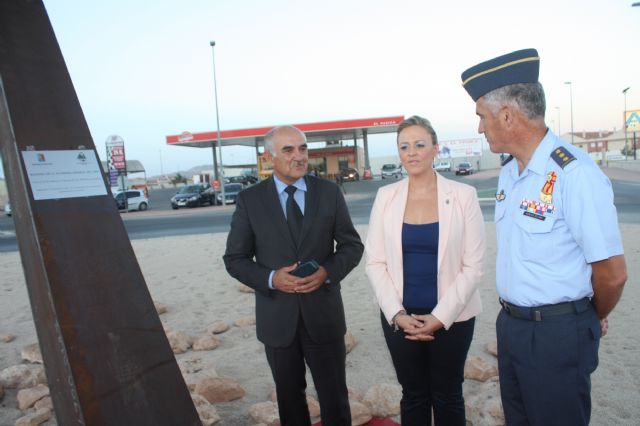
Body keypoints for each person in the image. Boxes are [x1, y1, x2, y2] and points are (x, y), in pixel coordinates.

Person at [460, 48, 628, 425]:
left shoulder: (574, 174)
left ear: (507, 115)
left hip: (557, 335)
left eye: (481, 117)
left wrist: (586, 316)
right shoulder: (511, 173)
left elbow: (613, 273)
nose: (480, 127)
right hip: (512, 327)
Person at [223, 125, 363, 426]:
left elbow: (352, 246)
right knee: (289, 400)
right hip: (277, 320)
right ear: (269, 157)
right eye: (289, 150)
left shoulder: (329, 192)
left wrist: (327, 272)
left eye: (303, 149)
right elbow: (235, 259)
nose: (299, 156)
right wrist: (272, 278)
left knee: (335, 399)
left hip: (323, 316)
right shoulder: (250, 200)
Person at [365, 115, 485, 425]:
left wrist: (439, 318)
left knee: (448, 395)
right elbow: (375, 262)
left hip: (453, 317)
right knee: (413, 394)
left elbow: (473, 266)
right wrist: (397, 314)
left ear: (435, 149)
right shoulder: (385, 197)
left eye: (420, 144)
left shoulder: (463, 196)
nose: (412, 152)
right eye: (404, 146)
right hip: (399, 316)